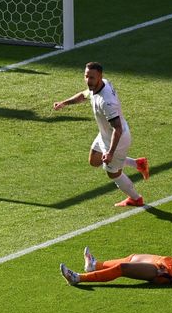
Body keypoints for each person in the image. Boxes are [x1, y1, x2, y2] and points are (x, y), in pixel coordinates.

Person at [53, 62, 150, 207]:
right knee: (94, 160)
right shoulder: (99, 84)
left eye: (91, 78)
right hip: (105, 134)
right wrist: (64, 103)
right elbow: (84, 95)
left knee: (113, 173)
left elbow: (118, 128)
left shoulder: (106, 103)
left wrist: (110, 153)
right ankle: (137, 163)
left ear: (100, 76)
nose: (88, 80)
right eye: (86, 76)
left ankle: (136, 198)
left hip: (117, 139)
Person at [60, 247, 172, 288]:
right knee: (132, 258)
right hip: (166, 262)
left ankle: (78, 278)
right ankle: (94, 265)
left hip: (163, 273)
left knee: (124, 268)